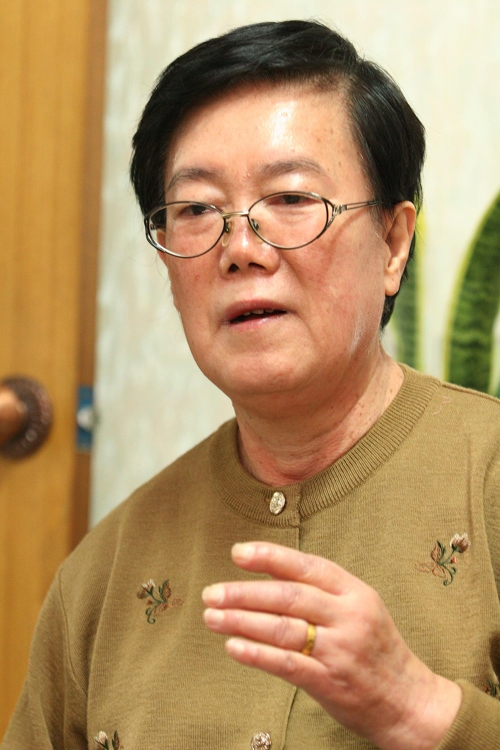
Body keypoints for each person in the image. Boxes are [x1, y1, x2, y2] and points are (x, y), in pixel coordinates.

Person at [3, 19, 500, 750]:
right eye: (197, 210)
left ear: (394, 245)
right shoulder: (101, 576)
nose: (239, 249)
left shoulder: (487, 480)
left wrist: (417, 709)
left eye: (292, 199)